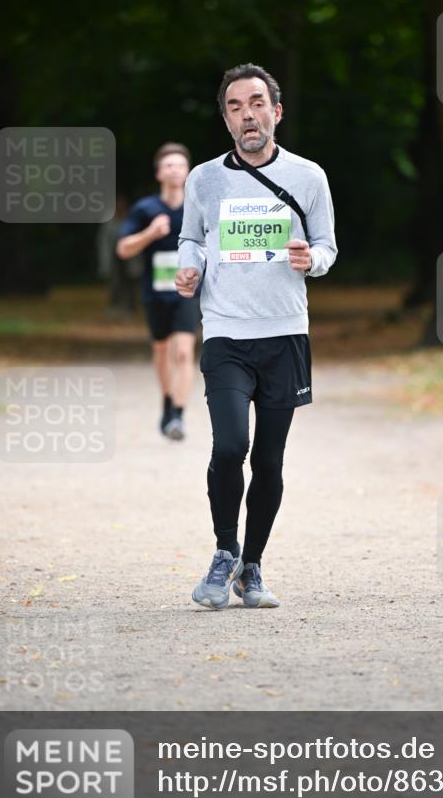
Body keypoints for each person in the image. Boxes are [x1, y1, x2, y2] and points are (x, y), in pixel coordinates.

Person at [176, 62, 337, 609]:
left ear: (277, 111)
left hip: (285, 332)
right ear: (226, 120)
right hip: (224, 333)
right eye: (236, 107)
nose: (248, 115)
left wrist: (309, 258)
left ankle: (253, 567)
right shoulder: (204, 179)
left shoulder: (309, 176)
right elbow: (191, 239)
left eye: (257, 103)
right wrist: (189, 266)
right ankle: (225, 551)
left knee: (269, 461)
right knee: (229, 446)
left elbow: (327, 247)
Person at [117, 143, 199, 440]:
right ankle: (167, 401)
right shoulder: (145, 209)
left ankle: (178, 415)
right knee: (162, 351)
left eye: (179, 165)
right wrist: (151, 233)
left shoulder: (198, 206)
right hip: (155, 292)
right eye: (169, 165)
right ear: (159, 173)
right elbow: (123, 249)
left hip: (188, 291)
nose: (174, 170)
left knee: (183, 351)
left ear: (188, 171)